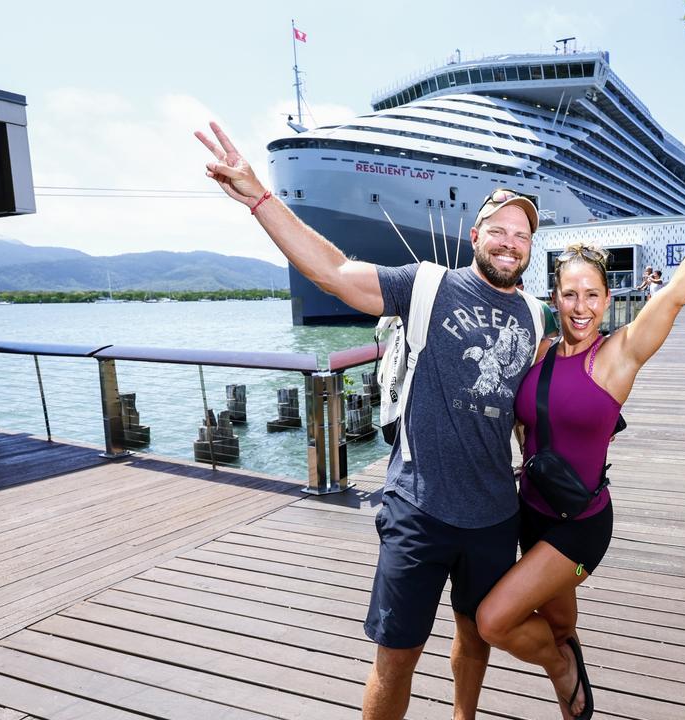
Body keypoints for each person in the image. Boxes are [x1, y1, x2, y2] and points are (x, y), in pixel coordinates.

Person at [195, 121, 556, 720]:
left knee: (474, 640)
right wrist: (261, 198)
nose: (510, 242)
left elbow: (545, 404)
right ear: (476, 235)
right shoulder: (427, 286)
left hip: (495, 512)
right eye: (499, 230)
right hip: (419, 509)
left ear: (529, 247)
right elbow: (333, 273)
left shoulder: (537, 319)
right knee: (396, 660)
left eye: (521, 235)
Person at [474, 160, 685, 719]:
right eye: (569, 295)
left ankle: (562, 672)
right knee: (561, 625)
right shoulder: (540, 353)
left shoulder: (616, 357)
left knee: (494, 621)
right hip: (531, 511)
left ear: (608, 297)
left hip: (581, 525)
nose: (581, 307)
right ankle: (574, 693)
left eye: (592, 295)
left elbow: (674, 296)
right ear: (555, 297)